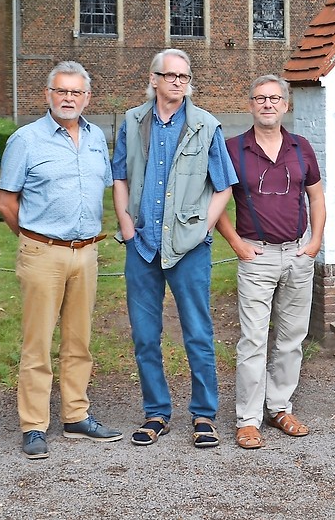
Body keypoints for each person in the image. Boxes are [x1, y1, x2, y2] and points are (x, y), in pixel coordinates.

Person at [0, 61, 123, 461]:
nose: (68, 98)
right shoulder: (26, 140)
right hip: (42, 253)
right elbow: (5, 199)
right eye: (61, 91)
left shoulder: (96, 136)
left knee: (79, 341)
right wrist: (35, 240)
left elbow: (100, 187)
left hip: (86, 253)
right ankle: (34, 426)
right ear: (47, 95)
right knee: (37, 344)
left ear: (87, 98)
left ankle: (75, 415)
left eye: (76, 92)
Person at [112, 48, 237, 450]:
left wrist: (203, 226)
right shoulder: (132, 122)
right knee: (145, 335)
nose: (178, 83)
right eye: (171, 76)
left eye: (184, 77)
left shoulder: (205, 126)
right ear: (154, 79)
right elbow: (119, 178)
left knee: (197, 333)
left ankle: (204, 414)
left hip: (189, 248)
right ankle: (156, 413)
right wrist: (127, 228)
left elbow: (224, 186)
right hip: (143, 246)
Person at [216, 75, 326, 450]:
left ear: (286, 105)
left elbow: (317, 197)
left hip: (298, 254)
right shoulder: (233, 149)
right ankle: (248, 419)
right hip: (256, 255)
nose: (267, 104)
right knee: (253, 339)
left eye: (274, 98)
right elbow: (216, 203)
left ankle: (279, 407)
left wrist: (314, 243)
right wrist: (235, 243)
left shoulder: (301, 147)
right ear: (250, 105)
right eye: (260, 98)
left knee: (292, 338)